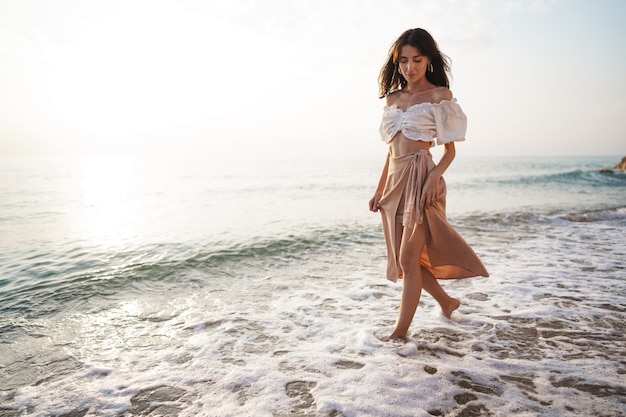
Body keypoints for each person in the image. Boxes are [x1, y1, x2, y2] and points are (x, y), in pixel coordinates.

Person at [368, 28, 489, 341]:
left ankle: (399, 334)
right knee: (407, 262)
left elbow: (449, 150)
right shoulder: (393, 99)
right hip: (394, 185)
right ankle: (447, 302)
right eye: (404, 61)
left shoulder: (439, 97)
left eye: (417, 60)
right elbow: (391, 151)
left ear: (428, 60)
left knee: (409, 258)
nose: (410, 67)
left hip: (422, 180)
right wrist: (379, 189)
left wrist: (435, 176)